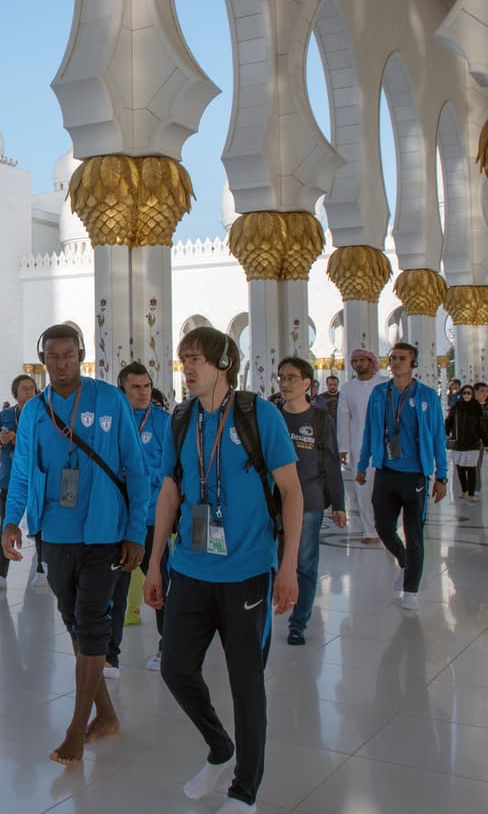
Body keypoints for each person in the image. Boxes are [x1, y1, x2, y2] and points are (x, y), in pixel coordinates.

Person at [143, 326, 301, 814]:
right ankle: (220, 748)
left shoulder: (259, 415)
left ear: (223, 364)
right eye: (182, 359)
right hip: (190, 567)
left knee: (246, 683)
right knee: (174, 667)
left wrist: (288, 566)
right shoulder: (182, 418)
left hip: (248, 573)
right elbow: (170, 491)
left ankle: (244, 789)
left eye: (196, 360)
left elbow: (292, 492)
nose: (187, 368)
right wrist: (154, 564)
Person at [2, 324, 150, 765]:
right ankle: (105, 715)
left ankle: (76, 727)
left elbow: (135, 469)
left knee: (91, 622)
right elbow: (24, 473)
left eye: (68, 355)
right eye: (52, 356)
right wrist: (12, 521)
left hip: (105, 532)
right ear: (42, 360)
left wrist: (136, 532)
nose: (61, 364)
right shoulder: (33, 412)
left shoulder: (109, 399)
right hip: (55, 534)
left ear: (80, 356)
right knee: (73, 622)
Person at [356, 342, 447, 610]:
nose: (395, 362)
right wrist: (362, 465)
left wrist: (441, 476)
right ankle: (404, 560)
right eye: (393, 358)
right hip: (386, 472)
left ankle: (411, 590)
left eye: (402, 358)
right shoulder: (379, 394)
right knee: (383, 527)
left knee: (414, 532)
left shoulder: (427, 396)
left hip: (415, 475)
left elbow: (438, 437)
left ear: (412, 363)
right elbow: (369, 430)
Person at [105, 362, 172, 675]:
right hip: (119, 522)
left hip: (151, 521)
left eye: (146, 386)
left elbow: (172, 469)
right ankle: (110, 656)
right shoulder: (113, 421)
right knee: (115, 590)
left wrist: (141, 478)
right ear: (123, 390)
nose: (143, 392)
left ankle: (165, 647)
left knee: (161, 584)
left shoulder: (162, 422)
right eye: (136, 387)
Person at [276, 356, 347, 646]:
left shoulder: (320, 420)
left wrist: (339, 504)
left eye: (291, 377)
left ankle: (298, 623)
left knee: (304, 562)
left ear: (307, 383)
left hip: (309, 500)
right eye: (281, 377)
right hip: (272, 501)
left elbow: (330, 462)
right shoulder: (273, 416)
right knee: (270, 559)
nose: (285, 383)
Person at [0, 374, 45, 590]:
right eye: (25, 389)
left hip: (37, 481)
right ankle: (1, 574)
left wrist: (26, 443)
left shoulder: (43, 414)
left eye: (32, 389)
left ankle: (42, 569)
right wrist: (2, 440)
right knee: (6, 526)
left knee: (40, 525)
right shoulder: (6, 416)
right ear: (15, 393)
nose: (30, 393)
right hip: (9, 482)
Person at [337, 349, 387, 545]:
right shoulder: (348, 388)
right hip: (359, 444)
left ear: (371, 362)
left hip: (385, 444)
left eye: (361, 360)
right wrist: (343, 447)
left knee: (385, 488)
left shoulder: (384, 384)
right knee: (363, 488)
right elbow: (343, 419)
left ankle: (386, 527)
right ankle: (370, 530)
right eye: (354, 361)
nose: (358, 364)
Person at [445, 384, 486, 499]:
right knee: (460, 468)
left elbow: (481, 426)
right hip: (459, 442)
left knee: (471, 468)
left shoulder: (476, 407)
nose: (466, 395)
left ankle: (471, 493)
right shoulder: (456, 407)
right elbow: (449, 421)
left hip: (473, 442)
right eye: (464, 393)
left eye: (469, 393)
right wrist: (446, 433)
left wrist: (486, 442)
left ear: (472, 395)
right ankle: (464, 491)